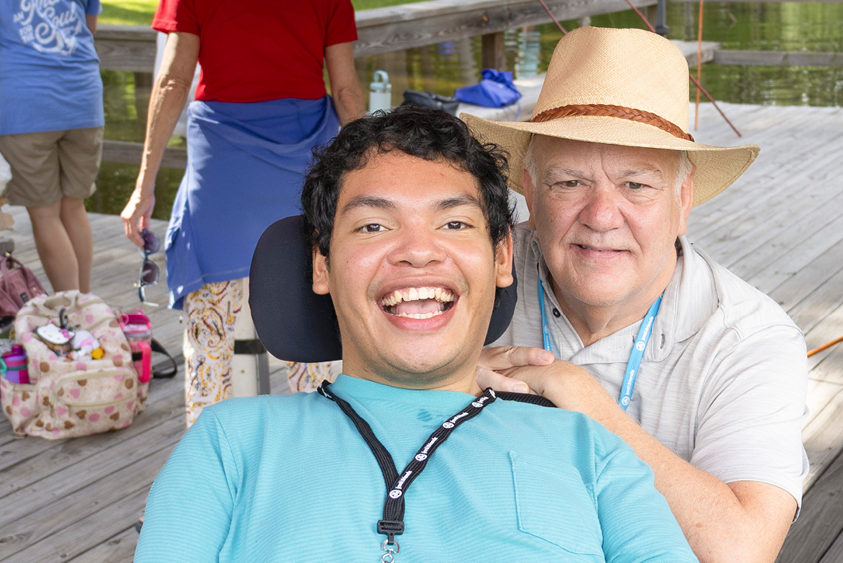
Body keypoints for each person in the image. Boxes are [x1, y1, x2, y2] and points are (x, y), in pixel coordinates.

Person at [133, 106, 698, 563]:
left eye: (453, 223)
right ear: (322, 267)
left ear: (502, 258)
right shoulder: (230, 445)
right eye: (374, 225)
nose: (418, 251)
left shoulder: (591, 453)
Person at [463, 27, 808, 563]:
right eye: (569, 182)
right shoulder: (471, 273)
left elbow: (741, 550)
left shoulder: (749, 338)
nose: (601, 217)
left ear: (683, 197)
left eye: (637, 185)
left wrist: (578, 398)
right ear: (528, 189)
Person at [120, 0, 366, 426]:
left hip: (223, 173)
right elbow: (345, 91)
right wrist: (371, 174)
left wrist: (144, 186)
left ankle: (211, 462)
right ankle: (324, 452)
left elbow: (173, 83)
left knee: (210, 336)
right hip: (303, 168)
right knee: (316, 332)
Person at [0, 0, 103, 293]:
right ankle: (87, 308)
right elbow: (88, 30)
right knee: (73, 206)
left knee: (45, 213)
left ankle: (72, 313)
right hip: (83, 101)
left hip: (24, 106)